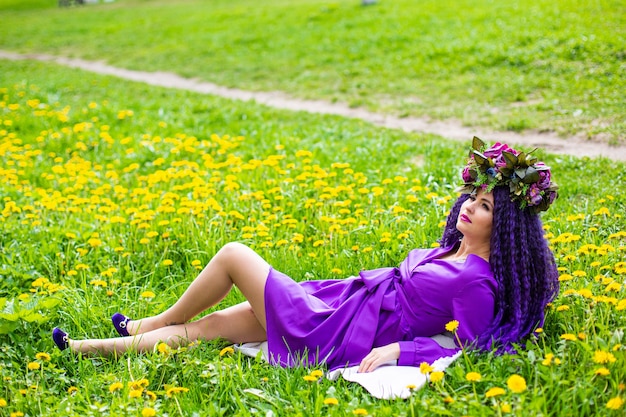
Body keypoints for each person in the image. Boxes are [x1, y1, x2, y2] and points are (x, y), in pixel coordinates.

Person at [52, 137, 559, 373]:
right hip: (340, 303)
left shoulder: (477, 280)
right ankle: (85, 349)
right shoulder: (450, 249)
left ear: (508, 223)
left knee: (233, 253)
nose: (469, 207)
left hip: (342, 329)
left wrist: (402, 351)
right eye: (473, 197)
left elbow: (475, 347)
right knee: (210, 329)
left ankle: (149, 322)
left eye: (486, 206)